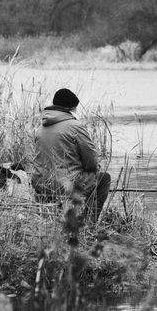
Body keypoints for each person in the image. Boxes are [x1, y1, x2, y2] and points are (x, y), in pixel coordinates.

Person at [32, 88, 111, 220]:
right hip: (64, 185)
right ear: (70, 108)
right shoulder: (75, 126)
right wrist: (90, 170)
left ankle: (52, 219)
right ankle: (89, 224)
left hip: (40, 183)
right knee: (103, 179)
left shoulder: (40, 128)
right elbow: (91, 162)